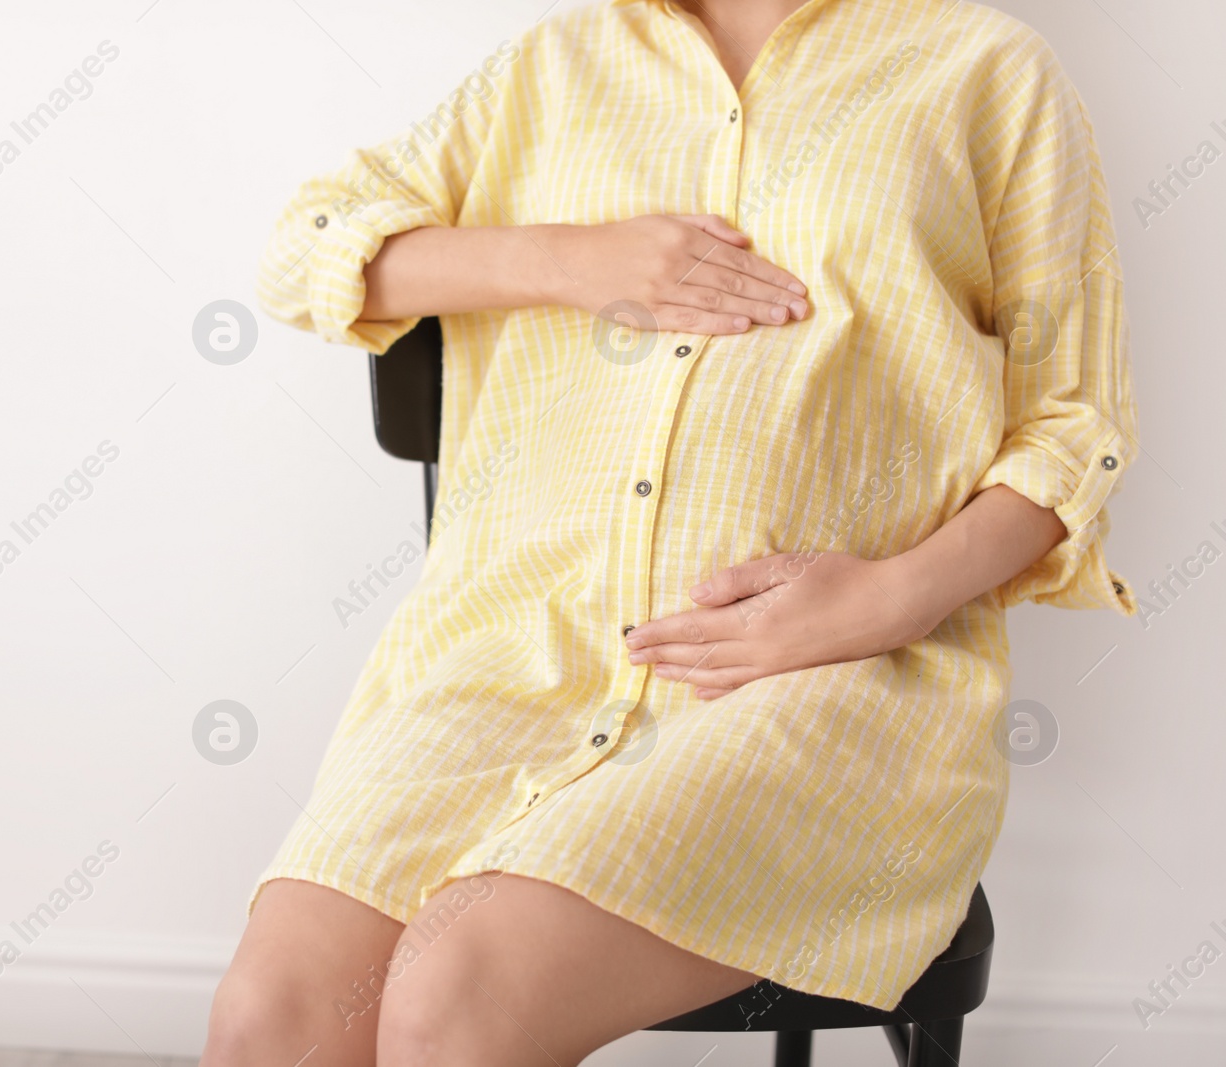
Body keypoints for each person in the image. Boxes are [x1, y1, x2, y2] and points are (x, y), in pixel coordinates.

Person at [208, 0, 1139, 1063]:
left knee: (450, 997)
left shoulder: (985, 69)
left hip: (829, 679)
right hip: (515, 651)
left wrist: (888, 598)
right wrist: (564, 261)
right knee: (267, 1017)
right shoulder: (549, 68)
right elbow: (302, 251)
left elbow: (1075, 421)